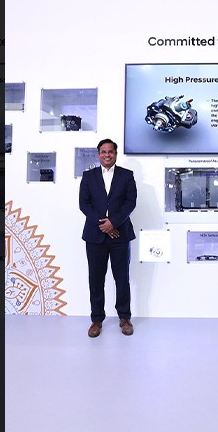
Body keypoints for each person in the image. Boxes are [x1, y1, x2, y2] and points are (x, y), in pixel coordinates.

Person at [79, 139, 137, 338]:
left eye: (110, 151)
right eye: (103, 152)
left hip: (120, 235)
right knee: (96, 279)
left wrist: (113, 223)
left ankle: (125, 318)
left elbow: (130, 203)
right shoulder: (88, 176)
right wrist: (104, 224)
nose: (107, 155)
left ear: (115, 154)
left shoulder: (127, 175)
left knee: (122, 278)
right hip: (95, 236)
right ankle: (96, 320)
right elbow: (84, 204)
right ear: (98, 154)